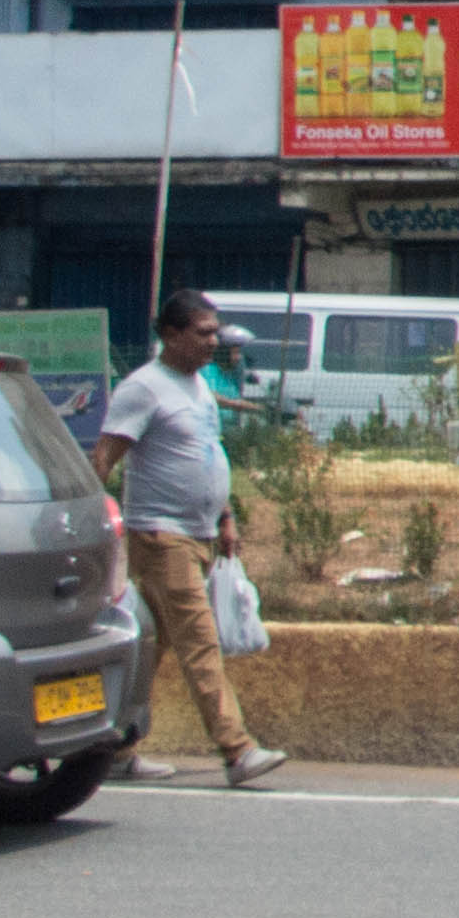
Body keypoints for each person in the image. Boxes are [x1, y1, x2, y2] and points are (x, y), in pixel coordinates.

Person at [96, 292, 286, 788]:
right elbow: (105, 458)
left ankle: (114, 747)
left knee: (150, 646)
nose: (213, 341)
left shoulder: (198, 386)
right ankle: (237, 749)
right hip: (162, 536)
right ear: (171, 334)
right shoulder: (144, 389)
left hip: (199, 534)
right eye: (202, 332)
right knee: (199, 644)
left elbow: (207, 450)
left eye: (214, 331)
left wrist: (225, 518)